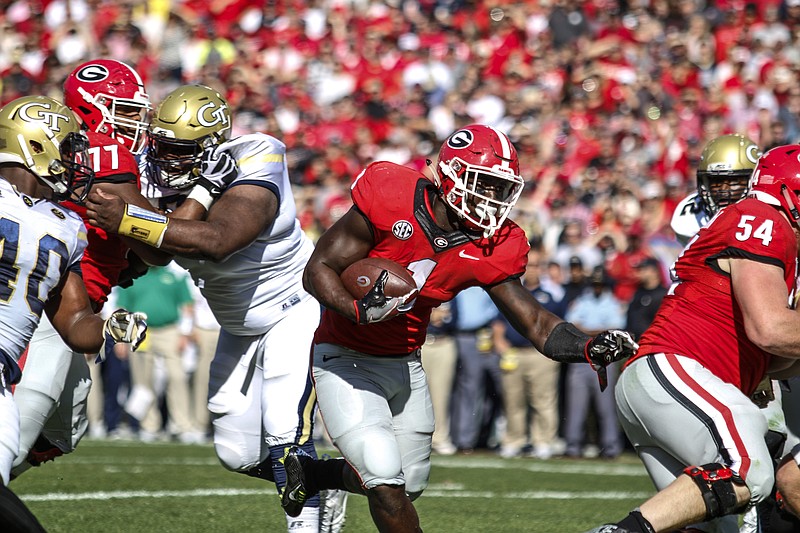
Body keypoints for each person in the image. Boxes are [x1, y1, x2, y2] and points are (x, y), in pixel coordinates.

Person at [282, 124, 637, 532]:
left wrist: (588, 346)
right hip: (345, 357)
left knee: (407, 484)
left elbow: (537, 322)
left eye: (501, 189)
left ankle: (316, 475)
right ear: (451, 174)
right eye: (485, 184)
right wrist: (357, 309)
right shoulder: (392, 196)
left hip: (405, 364)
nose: (494, 200)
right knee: (385, 482)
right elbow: (318, 270)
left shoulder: (490, 245)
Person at [84, 84, 346, 533]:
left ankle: (310, 516)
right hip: (236, 323)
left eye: (179, 149)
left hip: (293, 307)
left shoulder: (256, 154)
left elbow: (219, 242)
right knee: (236, 453)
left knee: (285, 435)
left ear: (211, 144)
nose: (164, 157)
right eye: (160, 144)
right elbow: (158, 254)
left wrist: (130, 218)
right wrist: (201, 189)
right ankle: (327, 481)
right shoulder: (152, 167)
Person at [589, 144, 800, 533]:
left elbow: (773, 356)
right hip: (678, 368)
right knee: (750, 471)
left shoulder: (768, 228)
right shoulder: (762, 217)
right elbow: (769, 329)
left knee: (705, 523)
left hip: (669, 381)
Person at [12, 58, 164, 478]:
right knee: (18, 434)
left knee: (66, 427)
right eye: (128, 110)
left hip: (71, 303)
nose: (137, 121)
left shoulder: (68, 149)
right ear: (93, 107)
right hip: (52, 306)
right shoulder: (106, 147)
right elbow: (158, 244)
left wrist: (122, 258)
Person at [0, 95, 146, 528]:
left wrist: (111, 326)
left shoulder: (65, 226)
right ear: (36, 147)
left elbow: (75, 323)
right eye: (66, 150)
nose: (75, 162)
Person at [114, 265, 199, 443]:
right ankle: (149, 426)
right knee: (143, 381)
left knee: (177, 377)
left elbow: (187, 305)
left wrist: (184, 332)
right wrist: (120, 338)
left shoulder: (175, 274)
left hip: (169, 330)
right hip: (140, 330)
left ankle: (181, 425)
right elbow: (122, 308)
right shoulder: (132, 274)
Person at [493, 246, 563, 460]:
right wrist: (502, 348)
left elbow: (559, 327)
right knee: (513, 401)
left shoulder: (550, 296)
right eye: (528, 265)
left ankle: (543, 441)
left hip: (540, 356)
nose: (530, 270)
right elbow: (497, 326)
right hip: (515, 353)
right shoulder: (511, 294)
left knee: (543, 400)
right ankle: (514, 440)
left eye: (535, 266)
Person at [563, 266, 627, 459]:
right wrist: (598, 331)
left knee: (605, 406)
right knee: (576, 406)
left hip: (603, 359)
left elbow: (615, 328)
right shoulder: (583, 300)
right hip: (582, 357)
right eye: (595, 284)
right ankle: (572, 446)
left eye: (600, 284)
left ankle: (610, 447)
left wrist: (588, 331)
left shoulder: (613, 303)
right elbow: (571, 324)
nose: (597, 287)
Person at [670, 133, 760, 246]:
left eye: (733, 181)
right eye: (716, 181)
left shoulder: (770, 213)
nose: (723, 189)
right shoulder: (691, 215)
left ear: (754, 180)